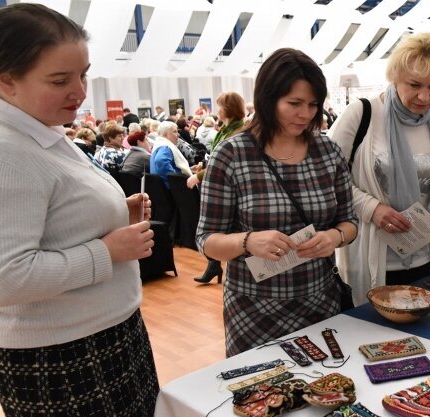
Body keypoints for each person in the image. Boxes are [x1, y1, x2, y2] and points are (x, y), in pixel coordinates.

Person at [0, 3, 158, 417]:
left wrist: (114, 213)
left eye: (84, 75)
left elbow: (53, 217)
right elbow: (6, 277)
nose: (79, 92)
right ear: (6, 81)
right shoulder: (8, 150)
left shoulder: (38, 131)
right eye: (59, 79)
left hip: (99, 333)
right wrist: (107, 251)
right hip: (62, 355)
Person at [196, 48, 358, 357]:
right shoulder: (232, 155)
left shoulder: (328, 152)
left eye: (313, 104)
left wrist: (333, 237)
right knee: (266, 397)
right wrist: (248, 241)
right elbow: (206, 240)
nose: (306, 114)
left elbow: (350, 223)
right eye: (294, 104)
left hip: (320, 302)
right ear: (267, 100)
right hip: (255, 310)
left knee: (329, 389)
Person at [328, 32, 430, 304]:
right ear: (395, 77)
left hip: (426, 254)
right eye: (414, 84)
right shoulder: (362, 115)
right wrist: (372, 208)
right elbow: (329, 181)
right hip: (370, 257)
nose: (424, 96)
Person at [188, 92, 247, 285]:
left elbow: (223, 163)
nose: (217, 110)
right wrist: (202, 168)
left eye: (220, 106)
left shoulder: (238, 131)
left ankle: (218, 267)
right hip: (217, 183)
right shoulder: (224, 129)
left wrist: (198, 176)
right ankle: (213, 266)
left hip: (229, 187)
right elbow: (215, 159)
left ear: (229, 108)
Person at [150, 120, 192, 187]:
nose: (178, 134)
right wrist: (176, 178)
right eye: (175, 132)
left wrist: (189, 169)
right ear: (165, 134)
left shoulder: (159, 144)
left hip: (163, 189)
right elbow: (160, 161)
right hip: (173, 190)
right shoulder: (165, 147)